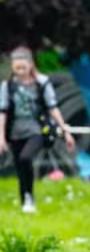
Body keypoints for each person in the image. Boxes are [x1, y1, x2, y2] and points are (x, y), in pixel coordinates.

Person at [0, 47, 75, 213]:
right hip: (15, 132)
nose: (20, 69)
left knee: (26, 157)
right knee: (20, 166)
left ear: (30, 64)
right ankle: (27, 198)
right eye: (17, 65)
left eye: (23, 64)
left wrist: (65, 131)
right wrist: (1, 138)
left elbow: (52, 108)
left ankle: (28, 197)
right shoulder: (8, 86)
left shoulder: (42, 83)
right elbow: (3, 112)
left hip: (37, 130)